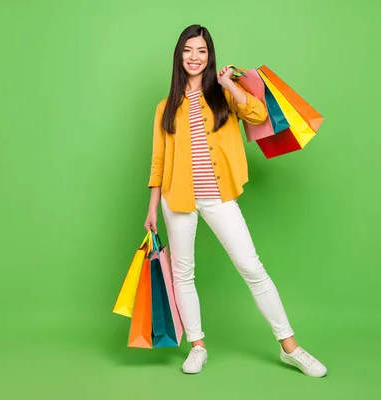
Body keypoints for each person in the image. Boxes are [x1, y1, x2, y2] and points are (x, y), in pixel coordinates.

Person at [144, 24, 327, 377]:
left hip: (219, 196)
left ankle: (290, 347)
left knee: (251, 267)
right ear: (179, 56)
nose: (194, 57)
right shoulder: (165, 107)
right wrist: (152, 207)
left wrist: (229, 83)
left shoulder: (223, 94)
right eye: (187, 50)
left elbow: (258, 115)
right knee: (183, 274)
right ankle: (197, 346)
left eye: (201, 51)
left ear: (210, 56)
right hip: (176, 197)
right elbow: (159, 159)